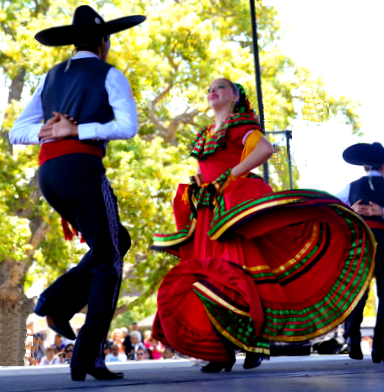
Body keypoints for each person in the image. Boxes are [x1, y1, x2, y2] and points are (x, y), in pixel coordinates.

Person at [151, 79, 376, 373]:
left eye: (221, 87)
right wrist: (195, 187)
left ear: (235, 97)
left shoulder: (240, 125)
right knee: (209, 278)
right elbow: (202, 171)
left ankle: (254, 343)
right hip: (209, 213)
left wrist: (227, 177)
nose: (212, 91)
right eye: (209, 88)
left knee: (238, 276)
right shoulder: (205, 134)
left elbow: (265, 150)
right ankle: (221, 352)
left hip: (231, 214)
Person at [9, 5, 145, 382]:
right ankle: (87, 357)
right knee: (109, 261)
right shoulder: (109, 73)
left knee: (116, 242)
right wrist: (75, 131)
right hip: (81, 169)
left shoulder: (49, 77)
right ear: (104, 42)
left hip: (49, 175)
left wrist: (48, 130)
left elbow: (15, 132)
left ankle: (57, 301)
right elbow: (127, 126)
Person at [336, 142, 384, 363]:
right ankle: (380, 347)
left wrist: (350, 210)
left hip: (360, 243)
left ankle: (352, 338)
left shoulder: (350, 187)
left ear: (364, 166)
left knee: (358, 290)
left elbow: (329, 206)